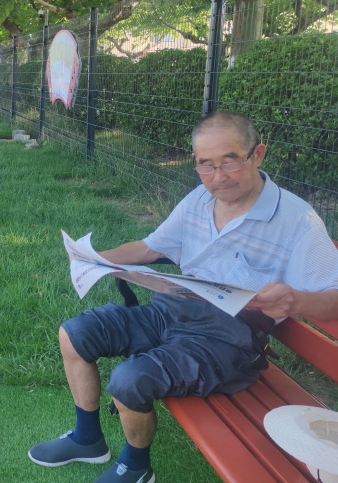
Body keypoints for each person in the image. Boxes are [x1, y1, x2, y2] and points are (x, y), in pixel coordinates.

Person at [28, 111, 338, 483]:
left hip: (227, 341)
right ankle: (87, 439)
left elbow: (332, 298)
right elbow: (150, 247)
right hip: (172, 311)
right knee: (76, 333)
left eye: (230, 162)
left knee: (130, 380)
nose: (218, 177)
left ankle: (135, 467)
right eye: (205, 165)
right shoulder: (199, 200)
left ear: (258, 154)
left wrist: (296, 301)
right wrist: (96, 259)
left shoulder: (297, 220)